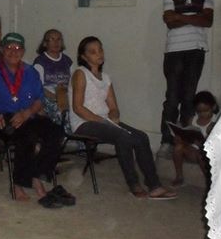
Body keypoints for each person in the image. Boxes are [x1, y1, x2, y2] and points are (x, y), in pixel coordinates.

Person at [0, 33, 72, 208]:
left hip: (28, 115)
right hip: (1, 118)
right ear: (2, 49)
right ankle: (18, 184)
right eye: (9, 47)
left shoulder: (30, 71)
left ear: (23, 51)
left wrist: (27, 113)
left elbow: (39, 99)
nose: (13, 51)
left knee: (56, 131)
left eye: (18, 48)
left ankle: (36, 175)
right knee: (27, 136)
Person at [69, 36, 176, 199]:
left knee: (141, 136)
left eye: (100, 49)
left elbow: (113, 107)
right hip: (83, 122)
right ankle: (133, 184)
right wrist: (103, 121)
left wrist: (113, 117)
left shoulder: (106, 78)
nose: (99, 54)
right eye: (93, 52)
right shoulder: (80, 73)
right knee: (122, 136)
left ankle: (154, 185)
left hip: (105, 121)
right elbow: (78, 108)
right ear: (84, 57)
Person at [158, 0, 214, 158]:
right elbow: (169, 22)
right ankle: (166, 142)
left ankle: (184, 143)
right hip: (174, 50)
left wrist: (180, 15)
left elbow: (208, 21)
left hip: (196, 50)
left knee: (189, 98)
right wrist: (194, 15)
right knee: (172, 98)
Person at [171, 90, 217, 188]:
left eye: (206, 111)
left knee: (200, 154)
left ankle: (210, 182)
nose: (203, 114)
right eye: (199, 112)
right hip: (191, 150)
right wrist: (180, 138)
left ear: (213, 107)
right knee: (178, 147)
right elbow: (188, 135)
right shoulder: (193, 120)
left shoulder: (216, 121)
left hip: (206, 154)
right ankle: (179, 176)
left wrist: (203, 144)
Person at [33, 29, 73, 132]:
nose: (56, 42)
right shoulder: (40, 62)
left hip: (65, 96)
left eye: (59, 39)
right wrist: (57, 98)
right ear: (45, 43)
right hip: (49, 98)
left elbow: (73, 84)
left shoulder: (67, 61)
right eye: (52, 39)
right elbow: (39, 88)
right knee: (61, 112)